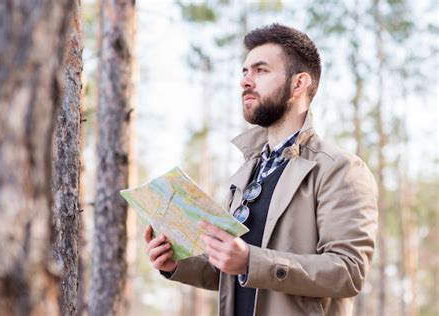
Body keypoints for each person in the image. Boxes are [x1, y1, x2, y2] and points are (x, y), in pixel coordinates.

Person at [145, 24, 378, 316]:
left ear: (298, 84)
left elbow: (349, 271)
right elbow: (233, 273)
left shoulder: (340, 169)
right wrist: (177, 264)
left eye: (260, 70)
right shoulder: (246, 173)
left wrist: (250, 262)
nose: (245, 81)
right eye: (244, 72)